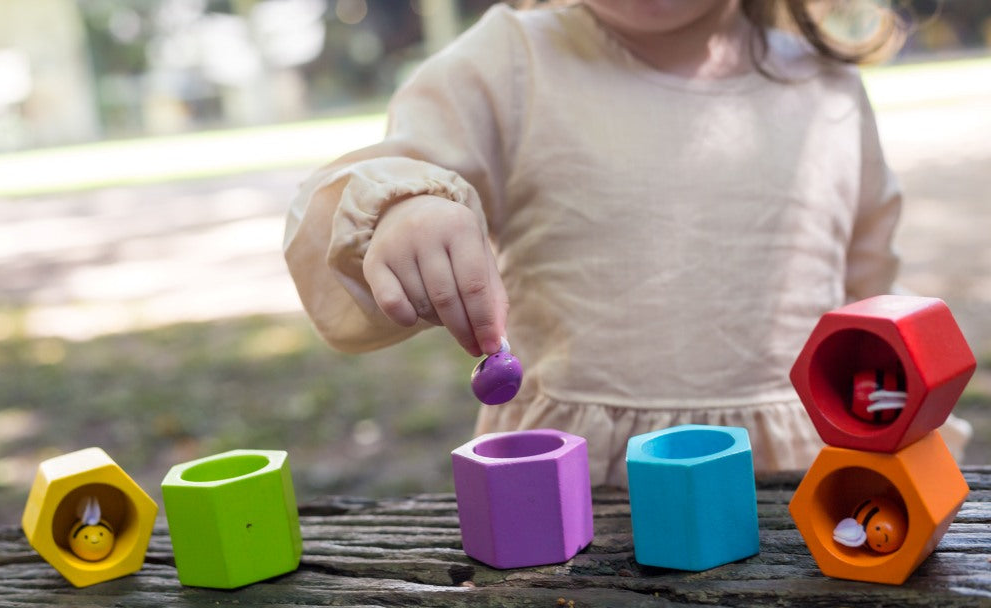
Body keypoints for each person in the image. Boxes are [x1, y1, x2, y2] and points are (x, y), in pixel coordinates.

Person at [283, 0, 968, 485]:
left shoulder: (829, 89)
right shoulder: (510, 63)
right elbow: (362, 193)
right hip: (581, 485)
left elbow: (875, 303)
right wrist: (405, 208)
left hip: (798, 481)